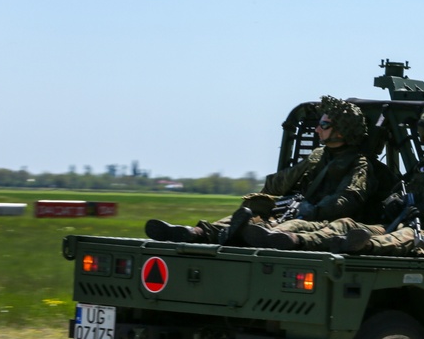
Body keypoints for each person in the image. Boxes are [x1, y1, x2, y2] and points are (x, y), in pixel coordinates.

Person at [246, 105, 424, 259]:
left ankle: (363, 248)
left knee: (403, 238)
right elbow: (399, 191)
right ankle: (296, 240)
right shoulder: (422, 166)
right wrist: (395, 202)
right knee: (345, 225)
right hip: (407, 222)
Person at [145, 96, 375, 244]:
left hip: (324, 222)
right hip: (297, 210)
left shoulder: (358, 164)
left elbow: (348, 200)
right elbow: (276, 185)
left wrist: (312, 210)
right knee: (250, 212)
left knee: (289, 226)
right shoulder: (318, 157)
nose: (317, 129)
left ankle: (256, 236)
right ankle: (197, 233)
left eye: (324, 125)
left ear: (341, 132)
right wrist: (308, 165)